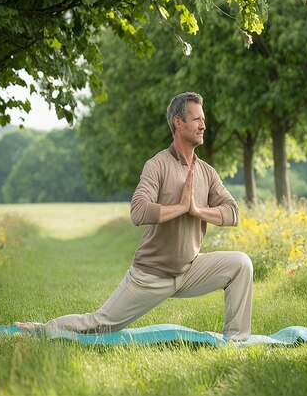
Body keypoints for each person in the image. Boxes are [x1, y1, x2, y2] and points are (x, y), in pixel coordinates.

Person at [16, 92, 253, 340]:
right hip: (152, 274)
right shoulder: (157, 165)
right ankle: (41, 330)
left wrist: (196, 210)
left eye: (203, 119)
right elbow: (138, 211)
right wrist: (179, 208)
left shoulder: (207, 172)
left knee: (240, 264)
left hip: (191, 268)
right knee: (99, 324)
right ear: (178, 122)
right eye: (196, 119)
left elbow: (233, 213)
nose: (203, 125)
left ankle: (236, 341)